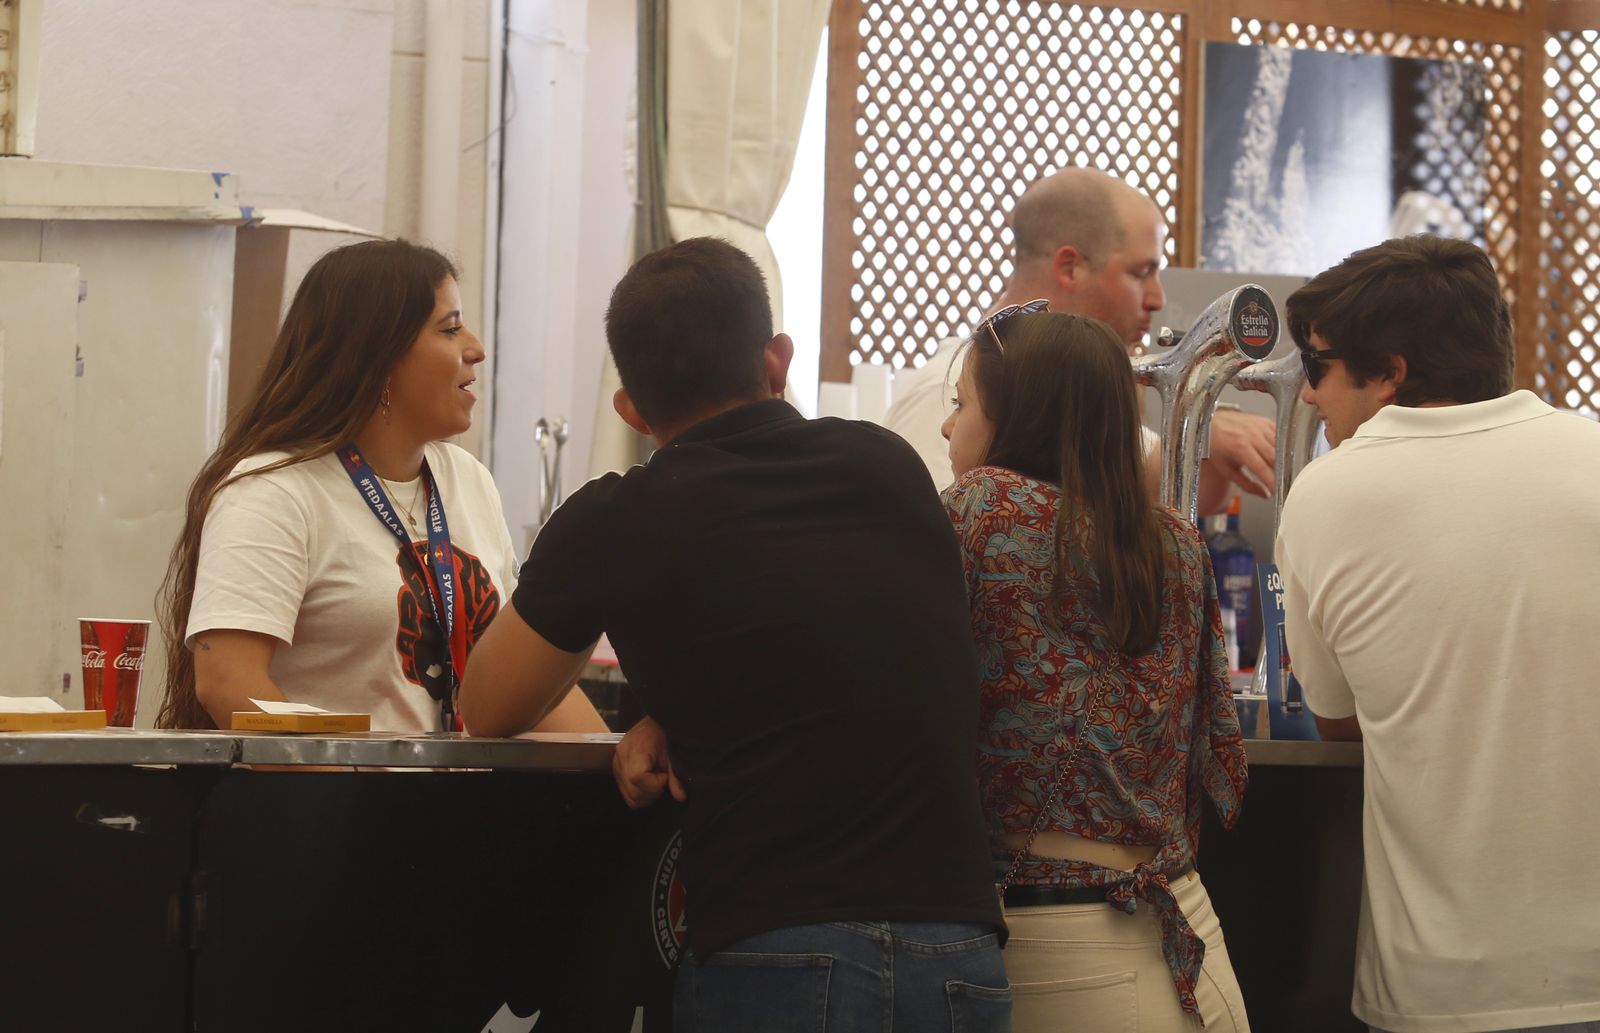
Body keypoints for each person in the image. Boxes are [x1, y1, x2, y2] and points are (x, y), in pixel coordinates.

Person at [459, 237, 1010, 1031]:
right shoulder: (890, 467)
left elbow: (490, 703)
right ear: (778, 359)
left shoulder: (618, 518)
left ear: (632, 410)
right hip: (961, 950)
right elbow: (862, 648)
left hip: (782, 949)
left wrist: (677, 706)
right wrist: (680, 712)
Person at [1276, 236, 1600, 1033]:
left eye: (1317, 367)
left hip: (1441, 987)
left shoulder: (1326, 496)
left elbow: (1337, 717)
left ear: (1390, 371)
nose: (1309, 397)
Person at [940, 304, 1251, 1031]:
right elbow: (1216, 754)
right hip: (1190, 934)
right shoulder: (1176, 537)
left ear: (1020, 415)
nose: (949, 426)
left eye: (962, 405)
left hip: (1066, 951)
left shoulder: (983, 507)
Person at [156, 238, 602, 734]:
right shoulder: (273, 491)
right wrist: (351, 796)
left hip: (462, 807)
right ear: (380, 355)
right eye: (450, 329)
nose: (476, 348)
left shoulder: (468, 479)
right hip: (332, 805)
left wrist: (612, 760)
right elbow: (227, 683)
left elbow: (519, 679)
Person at [886, 166, 1276, 515]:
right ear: (1070, 268)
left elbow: (1193, 493)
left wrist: (1207, 422)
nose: (1158, 298)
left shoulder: (1068, 391)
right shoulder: (943, 391)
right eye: (1140, 272)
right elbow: (941, 560)